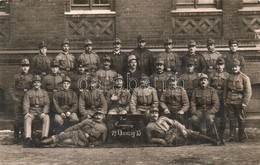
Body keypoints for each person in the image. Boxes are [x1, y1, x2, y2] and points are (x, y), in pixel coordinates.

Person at [146, 107, 220, 146]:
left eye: (156, 113)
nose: (154, 115)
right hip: (169, 138)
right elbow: (149, 139)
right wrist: (160, 140)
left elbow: (175, 122)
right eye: (152, 113)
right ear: (149, 115)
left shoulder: (163, 118)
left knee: (193, 133)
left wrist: (182, 129)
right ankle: (201, 141)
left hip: (176, 131)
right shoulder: (149, 127)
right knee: (187, 141)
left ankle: (214, 140)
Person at [34, 110, 107, 148]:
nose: (98, 116)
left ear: (103, 116)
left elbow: (102, 141)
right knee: (59, 136)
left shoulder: (103, 128)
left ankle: (45, 146)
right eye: (96, 114)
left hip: (81, 141)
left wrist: (92, 144)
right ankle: (40, 143)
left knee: (62, 142)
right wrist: (65, 131)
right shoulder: (88, 120)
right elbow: (77, 126)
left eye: (100, 115)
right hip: (75, 133)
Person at [224, 59, 252, 143]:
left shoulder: (244, 77)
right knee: (231, 119)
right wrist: (225, 100)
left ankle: (241, 136)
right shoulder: (228, 77)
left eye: (236, 67)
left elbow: (248, 91)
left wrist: (244, 103)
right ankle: (232, 136)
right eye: (233, 67)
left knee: (240, 119)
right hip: (230, 100)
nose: (234, 68)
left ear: (239, 67)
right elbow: (226, 90)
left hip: (239, 101)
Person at [9, 59, 33, 144]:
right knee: (17, 118)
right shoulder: (16, 77)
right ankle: (16, 136)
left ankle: (24, 135)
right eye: (23, 66)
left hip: (27, 100)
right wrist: (14, 98)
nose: (25, 68)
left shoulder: (31, 77)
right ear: (20, 67)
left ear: (29, 67)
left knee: (26, 117)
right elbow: (11, 88)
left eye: (26, 66)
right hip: (18, 99)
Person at [23, 75, 50, 147]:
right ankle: (28, 138)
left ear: (40, 84)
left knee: (46, 117)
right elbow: (26, 104)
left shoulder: (44, 92)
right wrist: (27, 112)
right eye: (35, 82)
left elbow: (47, 104)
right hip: (32, 111)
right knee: (27, 118)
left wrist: (44, 112)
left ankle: (44, 138)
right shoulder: (28, 93)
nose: (36, 84)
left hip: (41, 111)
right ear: (32, 84)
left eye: (38, 82)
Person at [209, 57, 229, 142]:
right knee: (213, 116)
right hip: (213, 99)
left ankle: (221, 133)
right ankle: (213, 133)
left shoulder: (227, 75)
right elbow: (208, 87)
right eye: (218, 64)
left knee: (223, 116)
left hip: (222, 99)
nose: (219, 66)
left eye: (221, 65)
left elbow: (228, 88)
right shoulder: (211, 75)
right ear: (216, 65)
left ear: (224, 66)